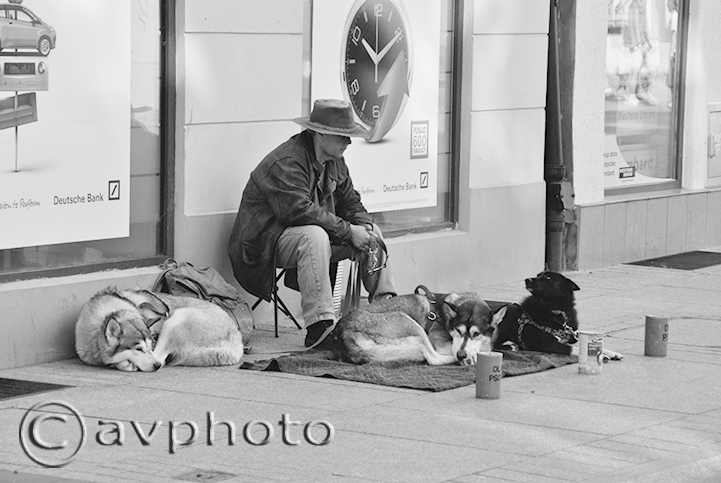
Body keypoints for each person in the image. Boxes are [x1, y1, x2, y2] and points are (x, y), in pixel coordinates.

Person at [228, 99, 397, 347]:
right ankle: (320, 327)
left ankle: (387, 312)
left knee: (373, 233)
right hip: (262, 246)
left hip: (307, 236)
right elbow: (298, 212)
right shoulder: (287, 161)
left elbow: (351, 202)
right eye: (342, 136)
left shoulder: (335, 160)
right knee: (313, 235)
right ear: (320, 134)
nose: (348, 142)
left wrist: (364, 226)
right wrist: (348, 231)